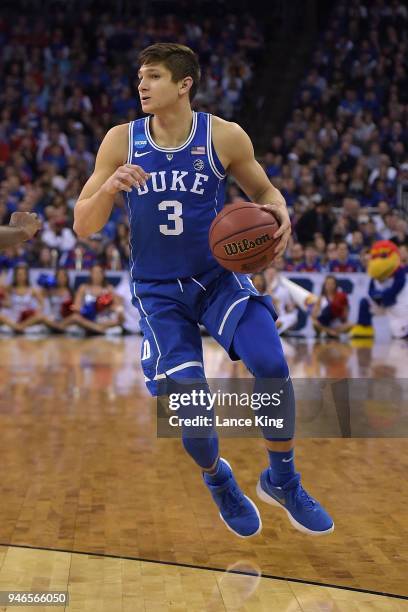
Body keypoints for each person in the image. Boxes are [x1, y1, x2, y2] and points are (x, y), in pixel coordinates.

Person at [74, 43, 333, 538]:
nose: (141, 86)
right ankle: (218, 479)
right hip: (158, 292)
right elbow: (83, 225)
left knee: (273, 363)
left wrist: (281, 212)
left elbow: (264, 191)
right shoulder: (119, 141)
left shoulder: (223, 136)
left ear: (184, 83)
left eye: (152, 77)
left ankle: (283, 480)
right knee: (192, 413)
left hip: (217, 277)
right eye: (140, 78)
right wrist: (109, 190)